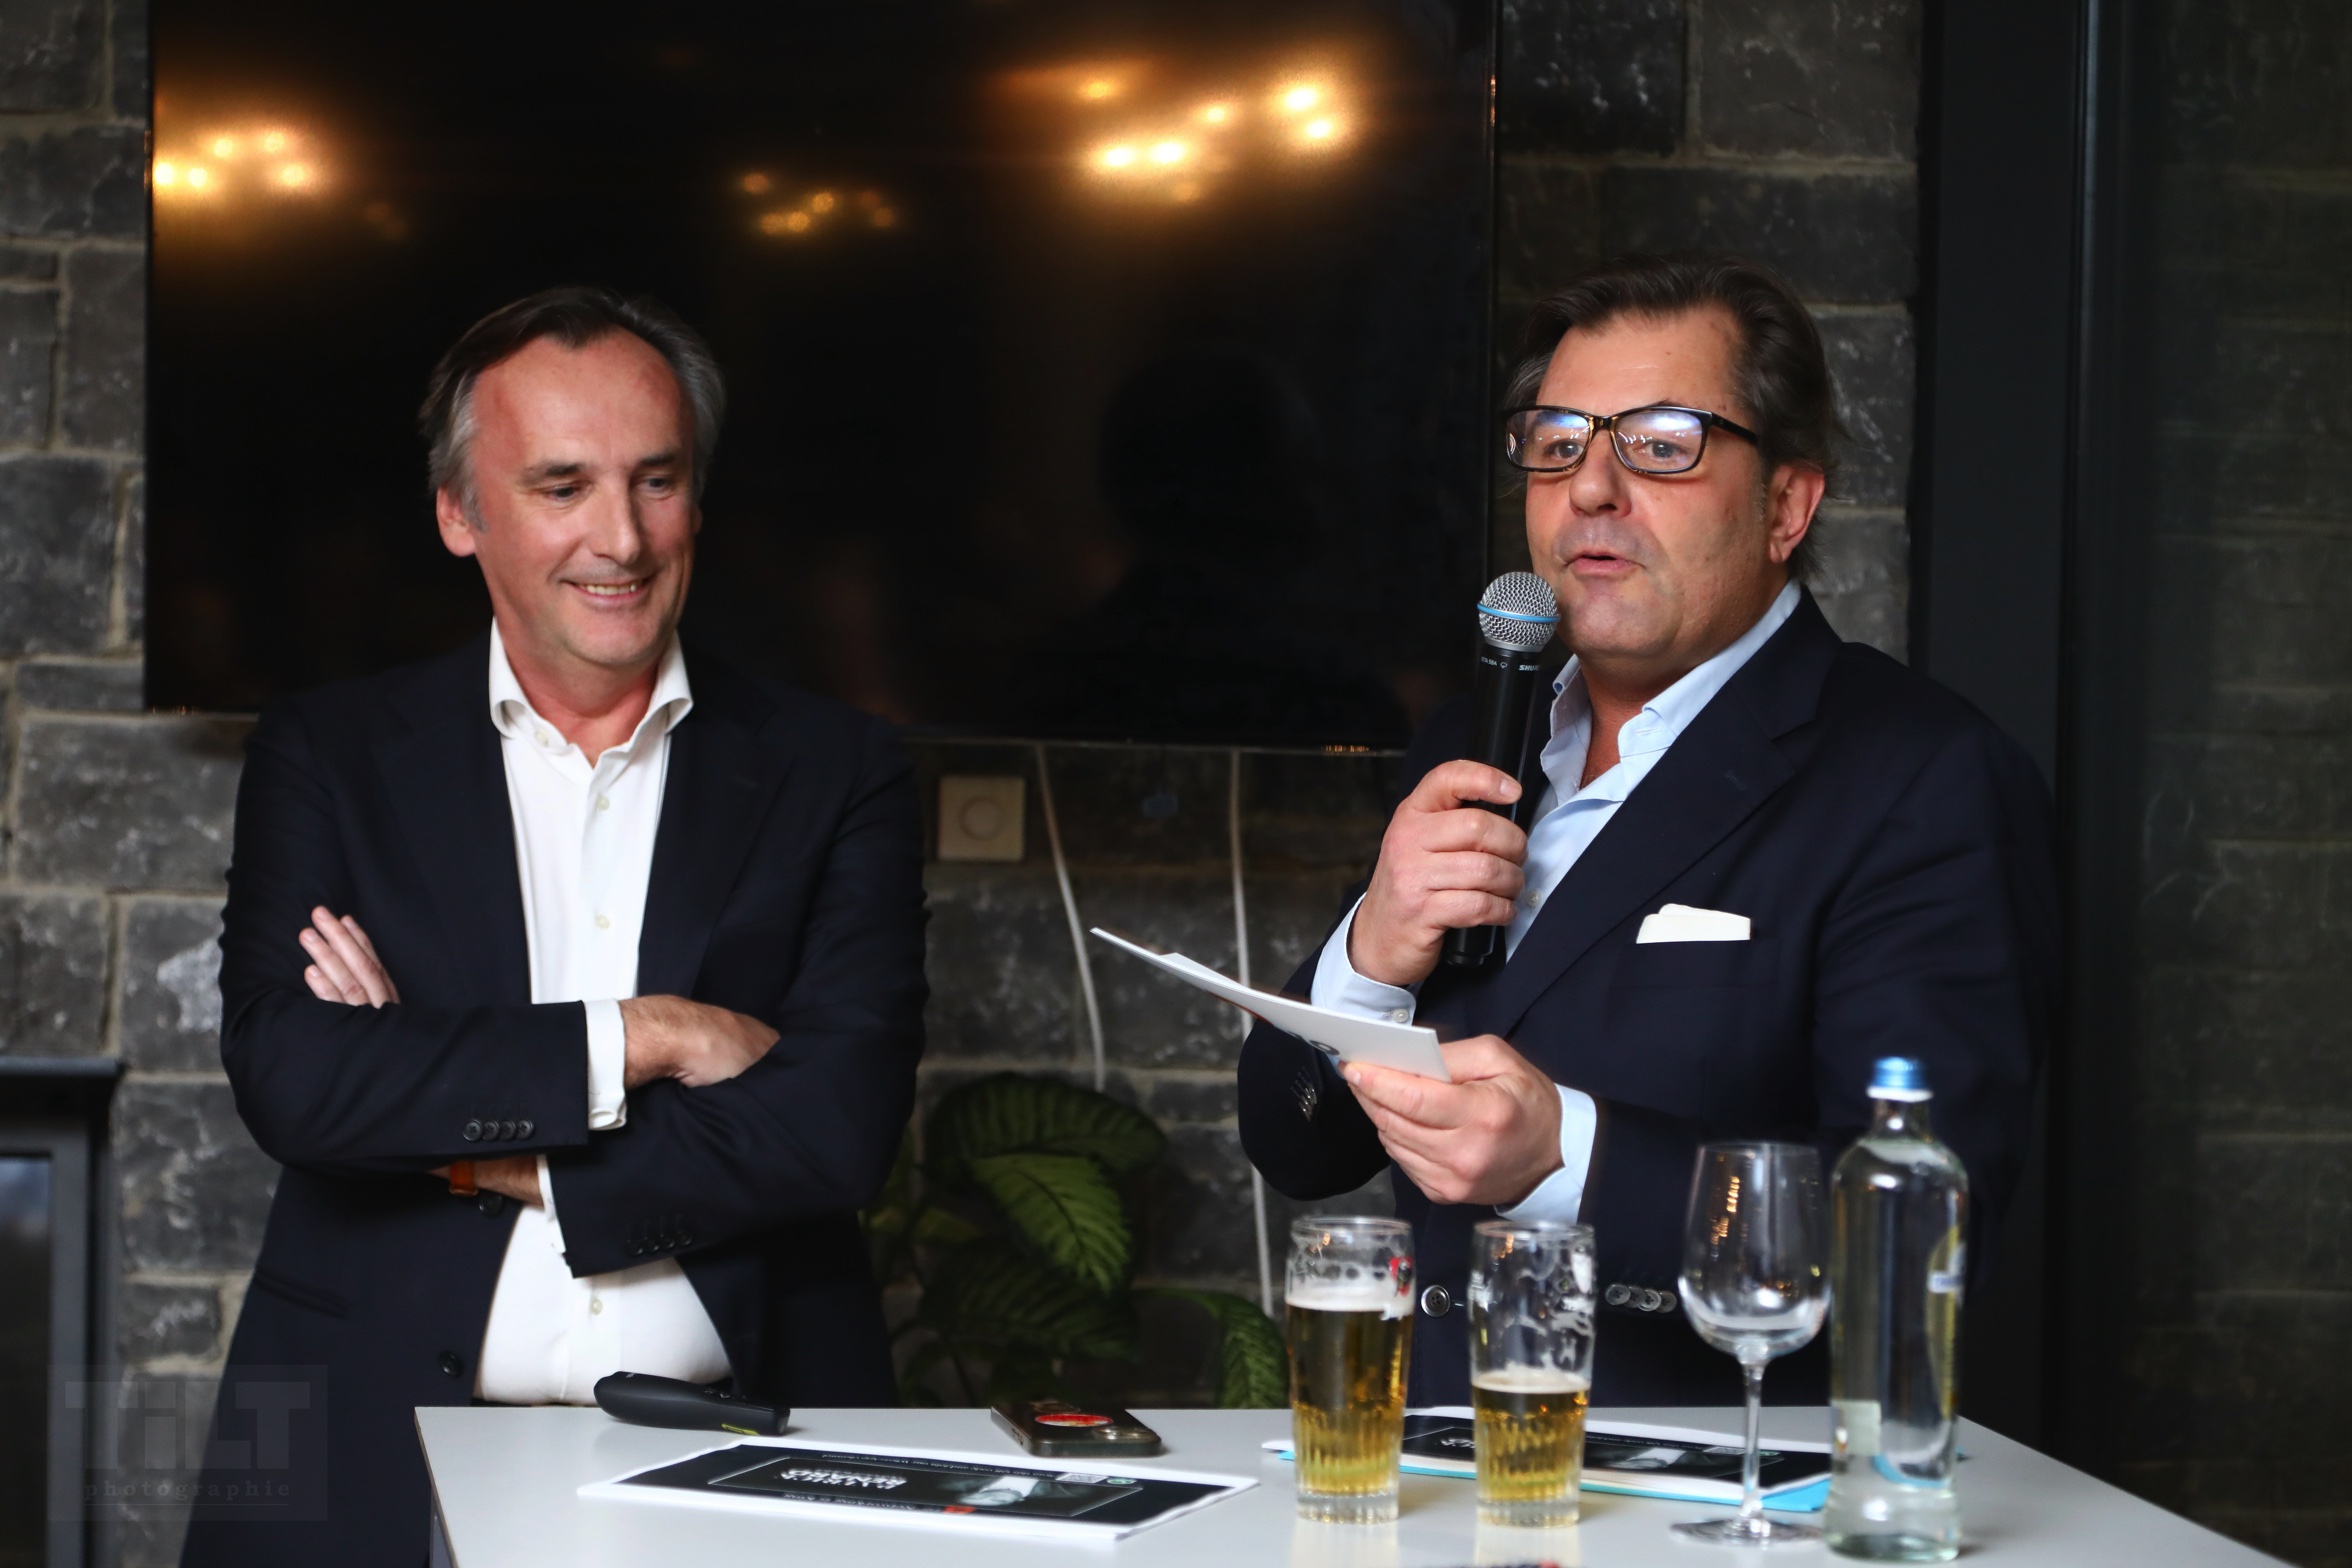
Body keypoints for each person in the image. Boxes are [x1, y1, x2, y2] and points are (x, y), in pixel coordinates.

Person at [182, 288, 927, 1567]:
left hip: (750, 1453)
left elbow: (836, 1128)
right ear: (459, 512)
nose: (621, 538)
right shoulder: (332, 753)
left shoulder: (836, 767)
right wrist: (650, 1034)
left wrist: (460, 1131)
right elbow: (298, 1081)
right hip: (377, 1455)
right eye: (562, 485)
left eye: (657, 480)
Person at [1238, 252, 2058, 1407]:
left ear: (1786, 505)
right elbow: (1298, 1145)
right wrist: (1371, 952)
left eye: (1662, 443)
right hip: (1432, 1463)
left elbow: (1918, 1235)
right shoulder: (1475, 739)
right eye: (1557, 440)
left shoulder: (1925, 779)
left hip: (1716, 1474)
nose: (1590, 488)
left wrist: (1565, 1155)